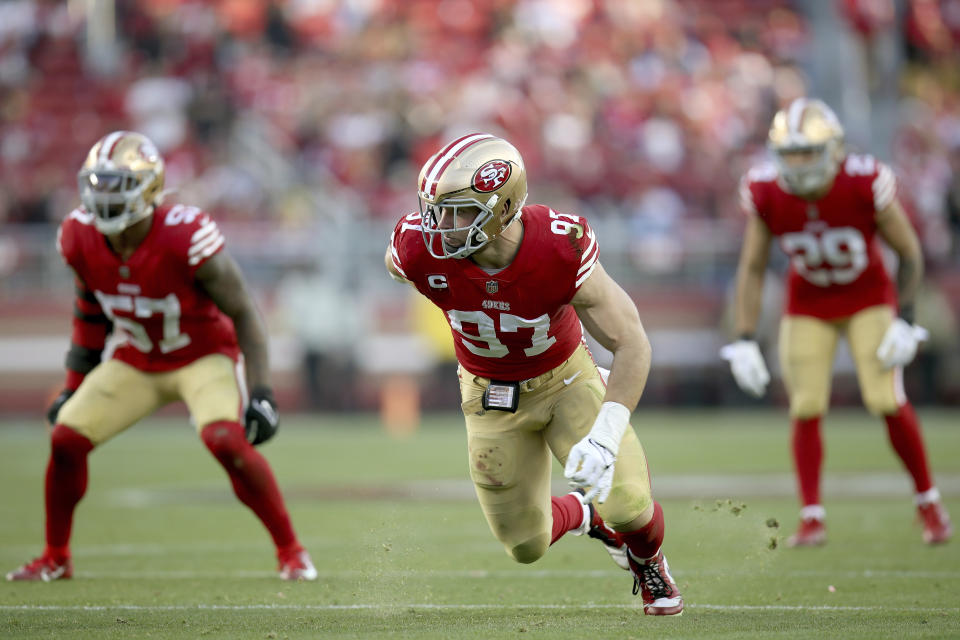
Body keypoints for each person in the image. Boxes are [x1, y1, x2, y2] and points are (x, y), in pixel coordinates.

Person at [385, 133, 684, 615]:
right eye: (434, 208)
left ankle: (648, 559)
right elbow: (401, 264)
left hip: (566, 380)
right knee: (525, 544)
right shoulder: (419, 247)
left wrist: (606, 434)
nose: (440, 225)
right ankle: (587, 515)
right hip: (486, 392)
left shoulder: (558, 247)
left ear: (502, 208)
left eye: (458, 210)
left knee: (628, 503)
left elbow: (631, 342)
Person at [6, 131, 317, 582]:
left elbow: (245, 312)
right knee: (66, 437)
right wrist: (73, 387)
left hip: (202, 356)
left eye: (116, 184)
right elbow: (91, 318)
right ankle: (56, 556)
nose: (103, 195)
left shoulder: (183, 234)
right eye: (98, 183)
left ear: (149, 187)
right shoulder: (77, 235)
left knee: (226, 441)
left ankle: (291, 551)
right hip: (136, 360)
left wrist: (263, 393)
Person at [723, 98, 952, 546]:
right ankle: (812, 517)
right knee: (805, 405)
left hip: (868, 298)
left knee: (884, 397)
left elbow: (909, 252)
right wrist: (744, 338)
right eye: (790, 155)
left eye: (808, 152)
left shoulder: (863, 181)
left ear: (834, 149)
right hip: (808, 304)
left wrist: (906, 319)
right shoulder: (766, 189)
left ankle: (929, 504)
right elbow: (751, 267)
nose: (800, 164)